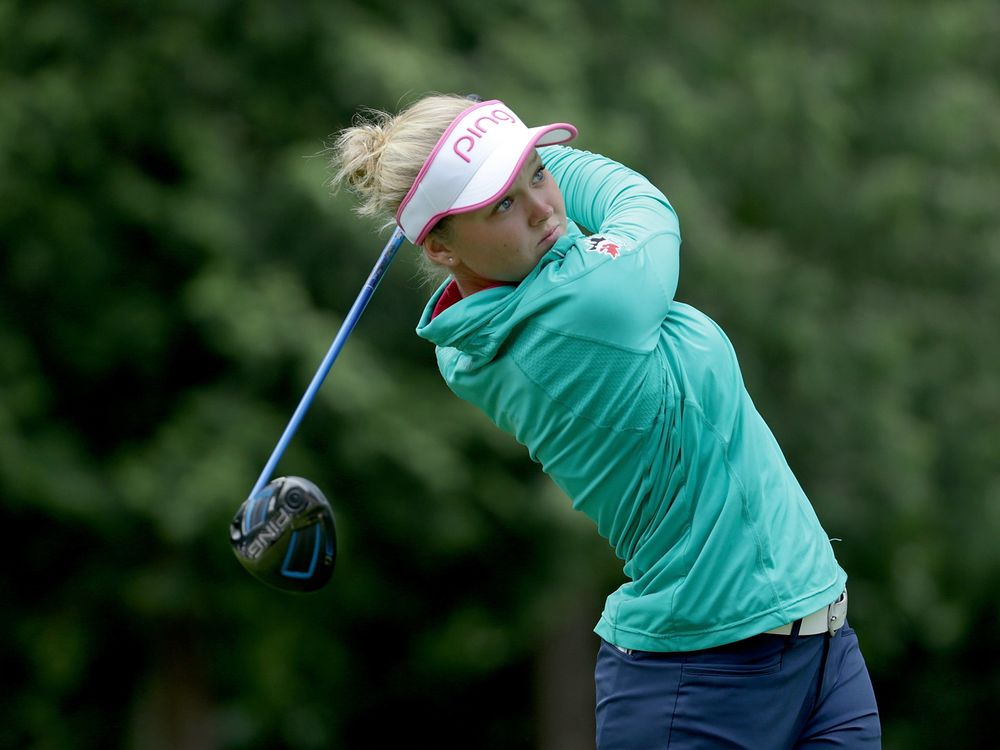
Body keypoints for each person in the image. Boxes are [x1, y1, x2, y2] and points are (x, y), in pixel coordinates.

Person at [328, 93, 882, 749]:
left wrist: (499, 157)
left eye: (539, 174)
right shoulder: (583, 306)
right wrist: (528, 153)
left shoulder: (510, 301)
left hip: (821, 650)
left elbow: (560, 218)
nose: (541, 207)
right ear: (442, 248)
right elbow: (645, 204)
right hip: (702, 687)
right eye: (501, 202)